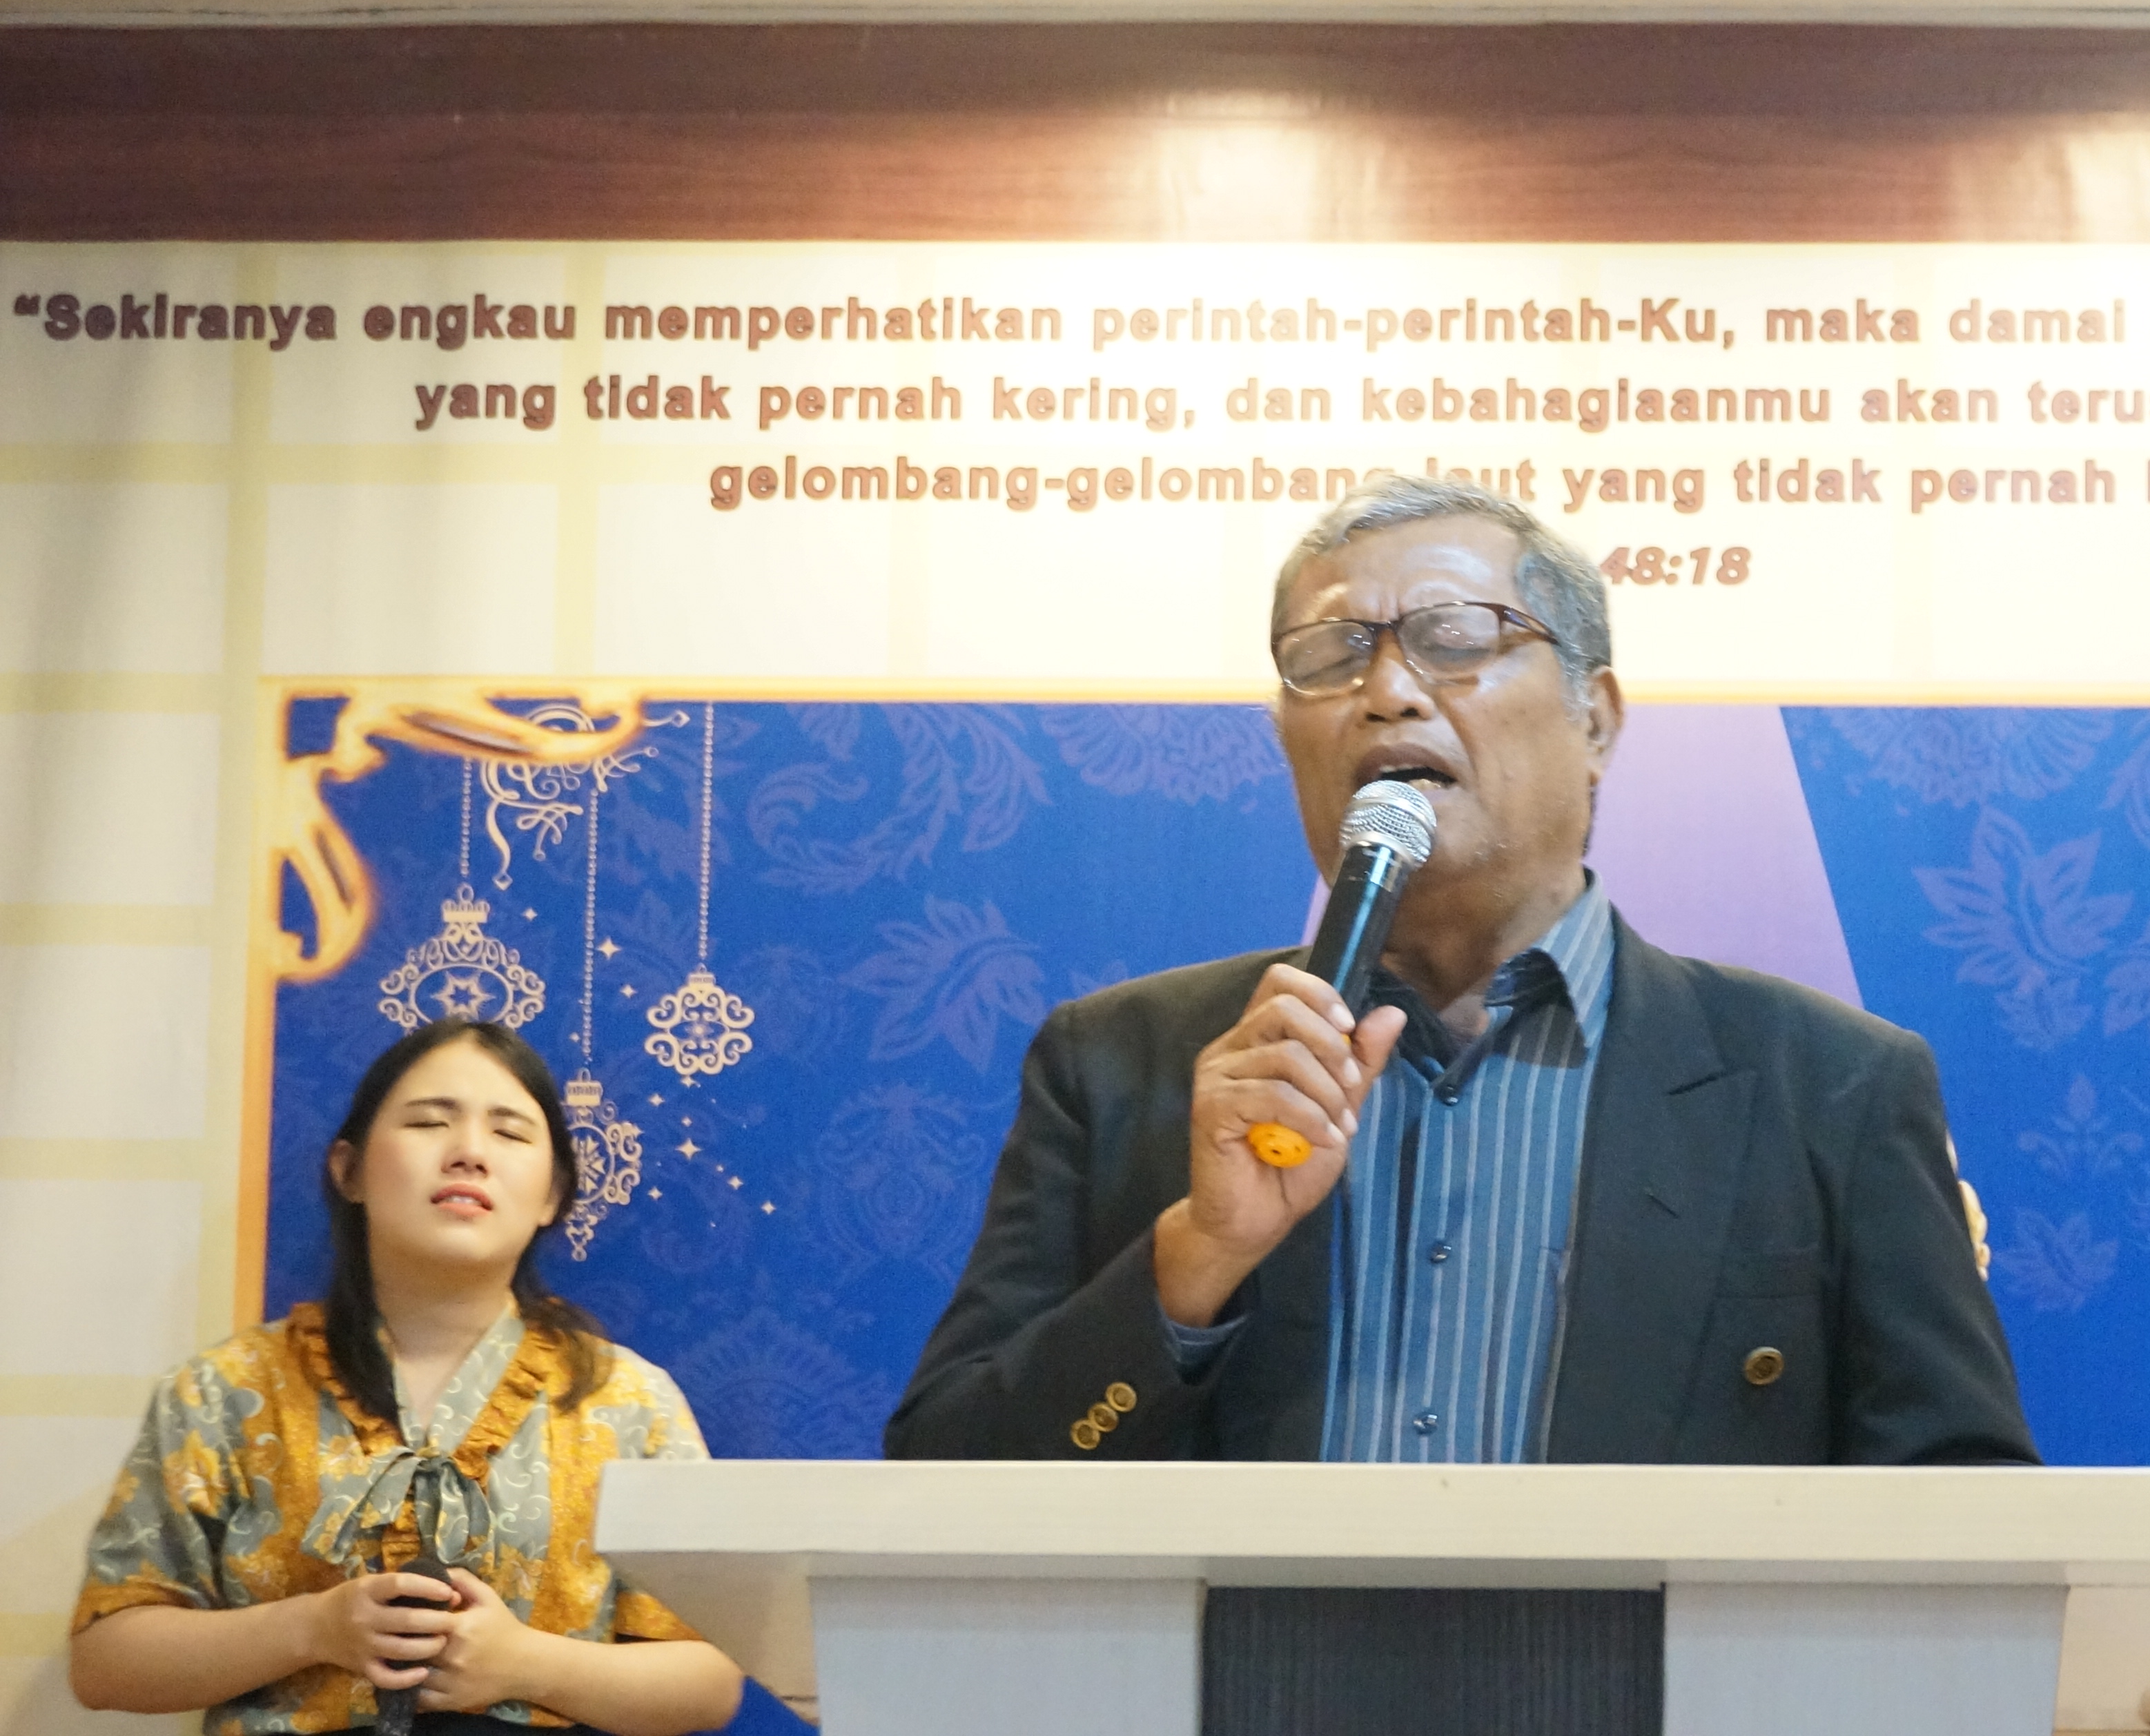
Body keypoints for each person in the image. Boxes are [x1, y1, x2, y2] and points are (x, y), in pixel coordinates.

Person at [883, 475, 2035, 1467]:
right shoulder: (1119, 1066)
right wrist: (1201, 1253)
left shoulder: (1831, 1088)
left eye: (1456, 638)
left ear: (1596, 719)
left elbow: (1959, 1516)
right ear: (1283, 735)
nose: (1387, 691)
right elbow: (942, 1487)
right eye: (1333, 655)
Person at [69, 1017, 743, 1736]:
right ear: (349, 1170)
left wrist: (525, 1664)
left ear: (553, 1194)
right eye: (428, 1122)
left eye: (510, 1133)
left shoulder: (628, 1403)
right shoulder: (224, 1391)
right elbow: (106, 1663)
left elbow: (710, 1684)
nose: (469, 1153)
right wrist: (315, 1627)